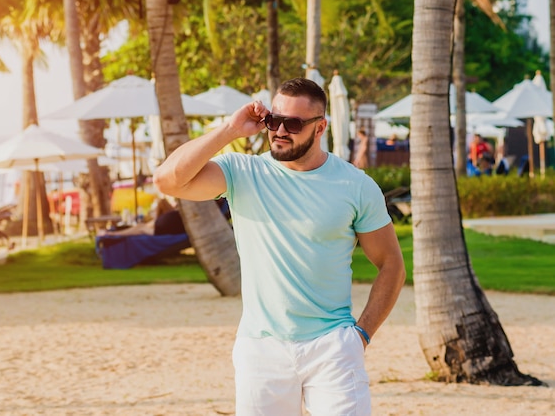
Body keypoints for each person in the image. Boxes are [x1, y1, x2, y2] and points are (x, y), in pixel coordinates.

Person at [154, 77, 405, 415]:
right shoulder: (242, 173)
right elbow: (167, 180)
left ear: (320, 128)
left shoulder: (355, 185)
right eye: (274, 120)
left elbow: (392, 264)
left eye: (294, 123)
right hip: (261, 350)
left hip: (333, 348)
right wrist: (229, 131)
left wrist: (360, 336)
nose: (280, 131)